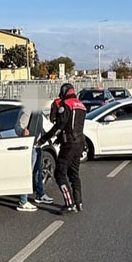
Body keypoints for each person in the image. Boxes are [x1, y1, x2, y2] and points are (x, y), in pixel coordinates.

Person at [38, 83, 87, 215]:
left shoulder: (66, 105)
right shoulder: (81, 105)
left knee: (60, 174)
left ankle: (69, 204)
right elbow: (75, 126)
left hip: (69, 144)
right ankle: (79, 203)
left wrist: (44, 139)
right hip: (80, 143)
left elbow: (59, 125)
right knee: (74, 174)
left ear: (64, 92)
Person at [15, 107, 54, 211]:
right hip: (29, 146)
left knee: (38, 170)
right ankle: (23, 201)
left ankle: (40, 195)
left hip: (37, 146)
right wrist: (22, 132)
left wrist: (46, 137)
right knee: (27, 172)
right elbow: (18, 127)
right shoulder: (27, 110)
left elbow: (39, 127)